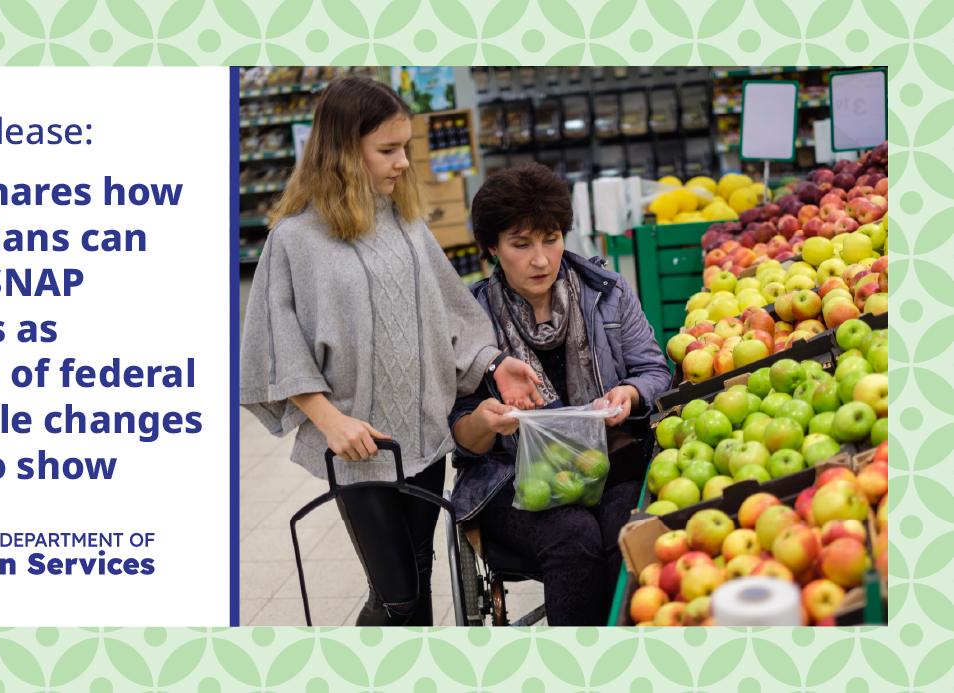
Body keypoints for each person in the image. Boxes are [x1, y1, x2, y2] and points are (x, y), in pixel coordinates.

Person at [239, 77, 543, 626]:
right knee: (399, 597)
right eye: (388, 150)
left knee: (417, 585)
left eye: (404, 146)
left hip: (422, 438)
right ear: (340, 151)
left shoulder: (406, 226)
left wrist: (496, 364)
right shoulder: (294, 240)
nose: (404, 161)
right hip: (358, 451)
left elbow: (449, 311)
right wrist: (329, 420)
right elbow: (273, 342)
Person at [449, 163, 672, 626]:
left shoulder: (606, 293)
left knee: (623, 531)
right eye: (520, 243)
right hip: (511, 480)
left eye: (551, 238)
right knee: (572, 536)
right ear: (492, 247)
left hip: (610, 461)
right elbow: (461, 434)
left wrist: (628, 394)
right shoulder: (470, 319)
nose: (541, 260)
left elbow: (654, 371)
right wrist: (486, 422)